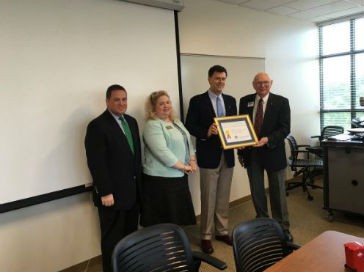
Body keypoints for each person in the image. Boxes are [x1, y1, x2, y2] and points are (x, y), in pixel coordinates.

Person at [84, 84, 142, 272]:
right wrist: (106, 191)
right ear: (107, 101)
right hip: (112, 197)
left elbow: (135, 157)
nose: (121, 103)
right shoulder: (97, 126)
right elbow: (96, 163)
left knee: (130, 237)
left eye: (124, 99)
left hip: (132, 194)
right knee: (112, 241)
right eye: (116, 99)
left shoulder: (132, 121)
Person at [185, 65, 237, 254]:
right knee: (208, 197)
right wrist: (206, 132)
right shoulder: (197, 101)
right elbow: (189, 125)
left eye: (223, 78)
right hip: (208, 156)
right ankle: (206, 236)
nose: (220, 82)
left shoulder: (231, 100)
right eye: (217, 78)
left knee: (223, 196)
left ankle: (222, 231)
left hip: (227, 155)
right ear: (209, 79)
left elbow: (235, 126)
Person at [238, 72, 293, 241]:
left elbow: (285, 128)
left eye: (266, 82)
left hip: (273, 151)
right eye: (259, 83)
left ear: (271, 83)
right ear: (253, 84)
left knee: (277, 191)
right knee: (257, 191)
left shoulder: (281, 102)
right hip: (252, 153)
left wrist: (268, 139)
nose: (262, 86)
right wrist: (239, 146)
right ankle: (262, 224)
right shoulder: (245, 100)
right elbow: (240, 125)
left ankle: (282, 227)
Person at [140, 90, 197, 227]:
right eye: (161, 104)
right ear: (153, 107)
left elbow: (187, 140)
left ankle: (175, 243)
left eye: (168, 102)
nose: (166, 106)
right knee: (164, 220)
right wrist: (184, 167)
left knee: (177, 217)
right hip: (161, 181)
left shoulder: (176, 121)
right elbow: (162, 152)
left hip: (179, 176)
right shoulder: (152, 125)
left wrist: (192, 160)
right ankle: (165, 247)